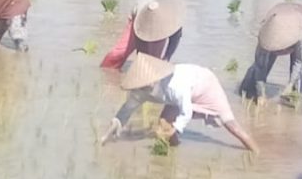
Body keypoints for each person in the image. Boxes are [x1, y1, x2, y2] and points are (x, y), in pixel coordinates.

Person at [100, 53, 259, 153]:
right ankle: (174, 152)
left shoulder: (173, 86)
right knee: (164, 123)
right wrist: (114, 125)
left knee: (230, 123)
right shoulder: (139, 92)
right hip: (184, 91)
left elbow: (186, 111)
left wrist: (175, 128)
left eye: (149, 82)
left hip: (206, 84)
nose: (146, 86)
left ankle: (256, 153)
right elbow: (126, 110)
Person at [238, 2, 302, 103]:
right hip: (279, 17)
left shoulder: (300, 35)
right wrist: (261, 94)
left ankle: (295, 97)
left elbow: (299, 62)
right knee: (258, 70)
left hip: (300, 26)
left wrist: (290, 85)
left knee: (297, 77)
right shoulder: (266, 33)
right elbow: (260, 65)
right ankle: (248, 91)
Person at [100, 0, 182, 68]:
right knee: (120, 53)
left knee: (151, 61)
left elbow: (175, 38)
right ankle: (106, 70)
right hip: (138, 17)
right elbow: (140, 38)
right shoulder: (142, 15)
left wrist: (167, 57)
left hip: (160, 23)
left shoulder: (173, 17)